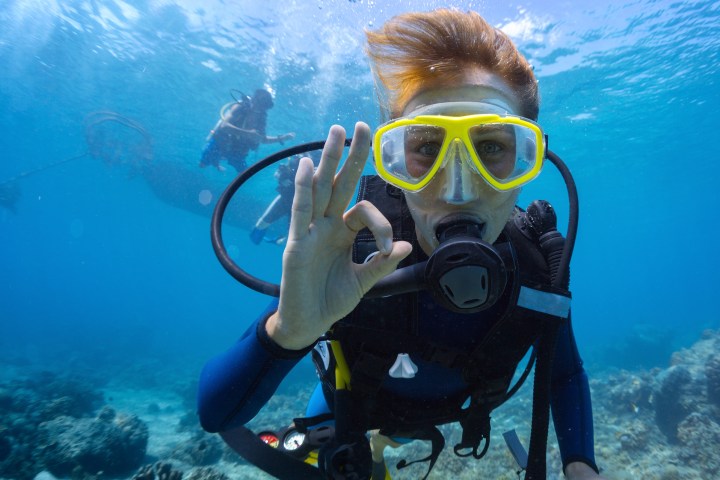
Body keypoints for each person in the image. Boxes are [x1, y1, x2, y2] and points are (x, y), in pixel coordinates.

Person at [198, 9, 606, 480]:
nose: (458, 190)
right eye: (427, 149)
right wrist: (288, 330)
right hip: (350, 410)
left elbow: (565, 374)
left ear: (528, 161)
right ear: (394, 163)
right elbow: (216, 415)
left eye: (492, 148)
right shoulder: (355, 258)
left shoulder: (538, 268)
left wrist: (581, 465)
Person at [199, 88, 295, 172]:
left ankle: (217, 163)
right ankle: (216, 164)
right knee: (202, 165)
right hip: (220, 144)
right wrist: (248, 133)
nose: (261, 111)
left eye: (264, 108)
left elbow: (263, 139)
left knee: (245, 173)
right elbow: (224, 126)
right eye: (260, 106)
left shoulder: (262, 119)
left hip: (237, 151)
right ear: (253, 100)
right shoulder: (240, 107)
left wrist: (281, 138)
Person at [250, 155, 302, 245]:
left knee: (292, 236)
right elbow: (276, 174)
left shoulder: (316, 161)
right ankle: (262, 239)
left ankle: (278, 241)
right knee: (260, 225)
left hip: (301, 204)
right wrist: (282, 179)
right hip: (285, 199)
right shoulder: (294, 159)